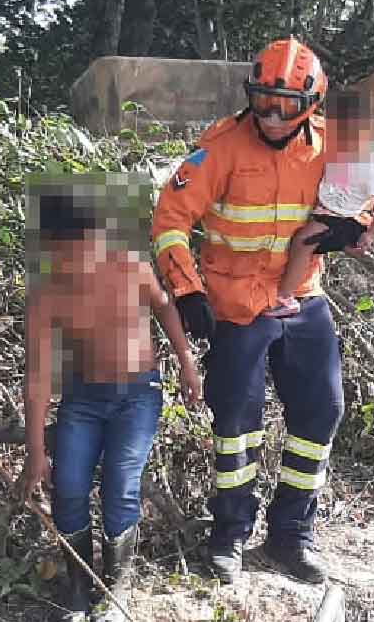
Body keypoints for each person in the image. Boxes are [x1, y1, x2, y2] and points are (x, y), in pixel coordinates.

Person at [151, 37, 358, 585]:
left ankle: (291, 535)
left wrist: (350, 227)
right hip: (235, 302)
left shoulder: (331, 147)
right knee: (237, 422)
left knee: (322, 411)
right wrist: (187, 290)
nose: (270, 114)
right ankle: (230, 534)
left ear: (311, 103)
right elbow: (170, 219)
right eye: (262, 100)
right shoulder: (220, 146)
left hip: (301, 295)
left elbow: (362, 201)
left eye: (284, 104)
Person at [21, 183, 201, 622]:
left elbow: (164, 308)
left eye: (85, 245)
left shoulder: (130, 268)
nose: (77, 258)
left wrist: (186, 361)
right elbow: (39, 378)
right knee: (69, 487)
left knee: (121, 484)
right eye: (64, 250)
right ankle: (80, 588)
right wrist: (36, 451)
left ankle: (116, 589)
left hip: (137, 395)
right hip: (82, 399)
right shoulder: (48, 296)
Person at [264, 89, 374, 318]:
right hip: (329, 212)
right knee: (309, 242)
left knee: (304, 241)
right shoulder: (343, 151)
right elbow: (335, 184)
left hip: (341, 218)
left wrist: (370, 234)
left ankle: (285, 297)